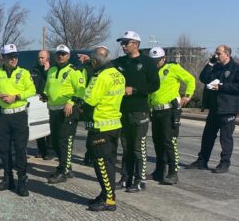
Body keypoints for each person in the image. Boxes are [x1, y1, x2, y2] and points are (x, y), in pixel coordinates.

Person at [75, 46, 125, 211]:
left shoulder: (100, 77)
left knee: (102, 165)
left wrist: (79, 109)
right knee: (109, 163)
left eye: (92, 61)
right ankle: (106, 194)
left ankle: (109, 199)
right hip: (113, 124)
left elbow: (89, 102)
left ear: (95, 61)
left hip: (100, 126)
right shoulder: (118, 74)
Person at [186, 45, 239, 174]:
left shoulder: (237, 69)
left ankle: (224, 163)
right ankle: (202, 161)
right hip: (214, 108)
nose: (216, 55)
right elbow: (203, 78)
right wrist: (209, 63)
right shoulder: (215, 67)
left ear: (227, 54)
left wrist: (221, 86)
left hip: (228, 109)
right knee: (207, 136)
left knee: (225, 138)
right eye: (215, 53)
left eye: (218, 53)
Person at [0, 44, 36, 197]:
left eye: (15, 56)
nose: (13, 59)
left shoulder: (24, 73)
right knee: (4, 149)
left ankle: (22, 182)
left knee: (20, 149)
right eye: (10, 57)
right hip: (2, 116)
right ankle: (8, 179)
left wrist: (16, 96)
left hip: (19, 115)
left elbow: (32, 90)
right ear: (3, 58)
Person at [112, 31, 159, 193]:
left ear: (136, 44)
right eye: (122, 43)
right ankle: (125, 178)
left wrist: (135, 90)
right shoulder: (119, 62)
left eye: (126, 42)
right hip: (122, 110)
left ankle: (140, 180)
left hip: (139, 111)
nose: (123, 46)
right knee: (126, 147)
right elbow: (104, 66)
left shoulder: (147, 63)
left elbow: (154, 85)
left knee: (138, 147)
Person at [148, 47, 196, 184]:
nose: (155, 63)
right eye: (153, 61)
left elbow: (190, 79)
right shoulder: (151, 71)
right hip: (156, 110)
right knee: (157, 141)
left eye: (157, 61)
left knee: (169, 141)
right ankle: (159, 171)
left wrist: (187, 96)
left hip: (169, 111)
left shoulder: (172, 68)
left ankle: (173, 172)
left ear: (163, 59)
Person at [44, 44, 86, 184]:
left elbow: (81, 90)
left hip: (67, 111)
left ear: (68, 56)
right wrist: (45, 95)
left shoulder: (73, 71)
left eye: (63, 54)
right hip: (54, 110)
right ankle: (65, 166)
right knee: (55, 141)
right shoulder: (51, 70)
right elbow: (47, 87)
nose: (61, 56)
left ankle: (64, 171)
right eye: (58, 54)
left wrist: (71, 102)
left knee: (65, 141)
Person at [30, 50, 52, 160]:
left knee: (48, 126)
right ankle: (41, 150)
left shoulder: (52, 70)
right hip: (36, 101)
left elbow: (52, 83)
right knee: (38, 125)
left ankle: (49, 151)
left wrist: (47, 71)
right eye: (39, 58)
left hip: (48, 100)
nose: (40, 59)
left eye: (42, 58)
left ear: (48, 59)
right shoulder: (34, 70)